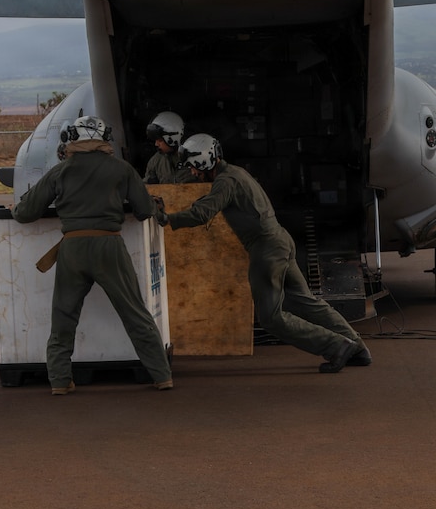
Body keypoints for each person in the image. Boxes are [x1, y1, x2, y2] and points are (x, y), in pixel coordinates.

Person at [155, 133, 372, 374]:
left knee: (271, 318)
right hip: (280, 241)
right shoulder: (235, 174)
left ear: (203, 160)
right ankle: (357, 348)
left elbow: (202, 213)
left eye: (193, 167)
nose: (193, 172)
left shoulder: (225, 181)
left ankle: (337, 346)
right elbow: (209, 201)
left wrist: (166, 219)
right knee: (307, 303)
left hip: (266, 250)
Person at [11, 115, 173, 395]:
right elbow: (144, 210)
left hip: (72, 250)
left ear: (71, 139)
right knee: (134, 312)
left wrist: (16, 208)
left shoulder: (60, 171)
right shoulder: (121, 169)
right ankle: (161, 375)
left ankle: (60, 381)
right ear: (104, 138)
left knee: (63, 317)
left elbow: (26, 213)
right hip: (109, 247)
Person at [143, 111, 196, 184]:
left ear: (173, 138)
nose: (156, 144)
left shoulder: (196, 158)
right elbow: (147, 187)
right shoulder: (155, 161)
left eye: (160, 140)